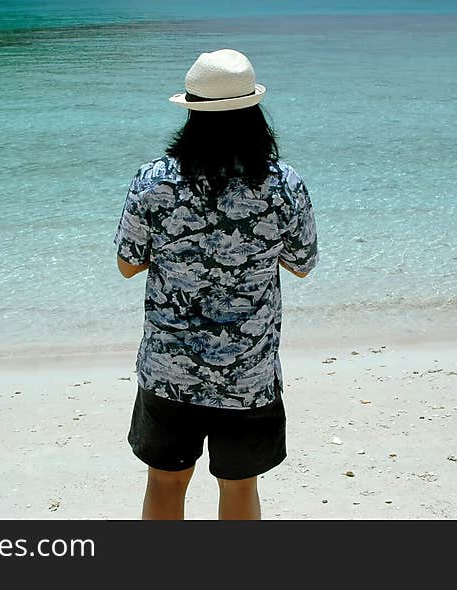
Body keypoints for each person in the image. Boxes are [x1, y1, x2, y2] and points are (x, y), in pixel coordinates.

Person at [113, 48, 318, 520]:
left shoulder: (153, 182)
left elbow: (127, 265)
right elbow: (302, 264)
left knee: (165, 483)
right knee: (240, 487)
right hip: (248, 373)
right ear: (253, 113)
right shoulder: (284, 184)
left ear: (190, 111)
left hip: (170, 368)